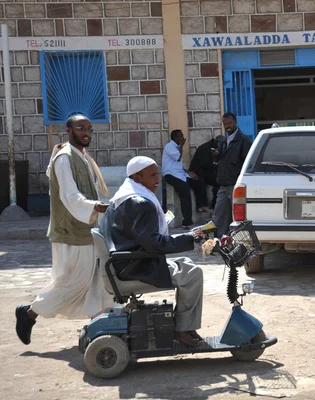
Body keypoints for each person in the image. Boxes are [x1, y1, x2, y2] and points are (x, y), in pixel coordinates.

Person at [15, 114, 115, 345]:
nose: (86, 132)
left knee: (96, 281)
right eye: (81, 128)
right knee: (72, 283)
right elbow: (69, 195)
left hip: (86, 230)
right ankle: (29, 313)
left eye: (89, 128)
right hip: (71, 233)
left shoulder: (81, 156)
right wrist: (94, 206)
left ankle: (98, 326)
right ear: (69, 131)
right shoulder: (64, 158)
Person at [100, 156, 206, 347]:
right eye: (153, 175)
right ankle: (181, 328)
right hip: (136, 266)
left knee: (188, 265)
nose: (158, 179)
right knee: (193, 274)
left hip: (126, 262)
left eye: (158, 174)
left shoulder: (122, 196)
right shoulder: (141, 202)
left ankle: (186, 325)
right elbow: (153, 244)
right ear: (138, 177)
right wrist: (190, 237)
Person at [212, 113, 253, 236]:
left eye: (230, 123)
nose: (228, 126)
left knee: (237, 216)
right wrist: (216, 156)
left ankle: (239, 240)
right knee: (219, 213)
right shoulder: (224, 140)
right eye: (225, 124)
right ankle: (220, 240)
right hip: (223, 184)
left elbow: (247, 163)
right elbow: (221, 161)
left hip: (235, 185)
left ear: (235, 122)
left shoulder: (244, 140)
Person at [163, 129, 211, 229]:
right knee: (184, 190)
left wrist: (188, 172)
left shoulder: (177, 147)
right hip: (170, 175)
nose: (182, 138)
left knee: (199, 181)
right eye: (180, 137)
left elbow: (178, 166)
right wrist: (181, 145)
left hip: (180, 173)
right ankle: (187, 222)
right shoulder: (169, 147)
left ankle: (202, 205)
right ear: (175, 138)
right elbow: (178, 158)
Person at [189, 135, 224, 210]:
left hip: (206, 170)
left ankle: (215, 204)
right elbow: (205, 164)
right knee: (218, 180)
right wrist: (218, 167)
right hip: (198, 171)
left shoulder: (213, 147)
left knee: (219, 179)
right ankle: (214, 205)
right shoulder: (205, 148)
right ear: (217, 142)